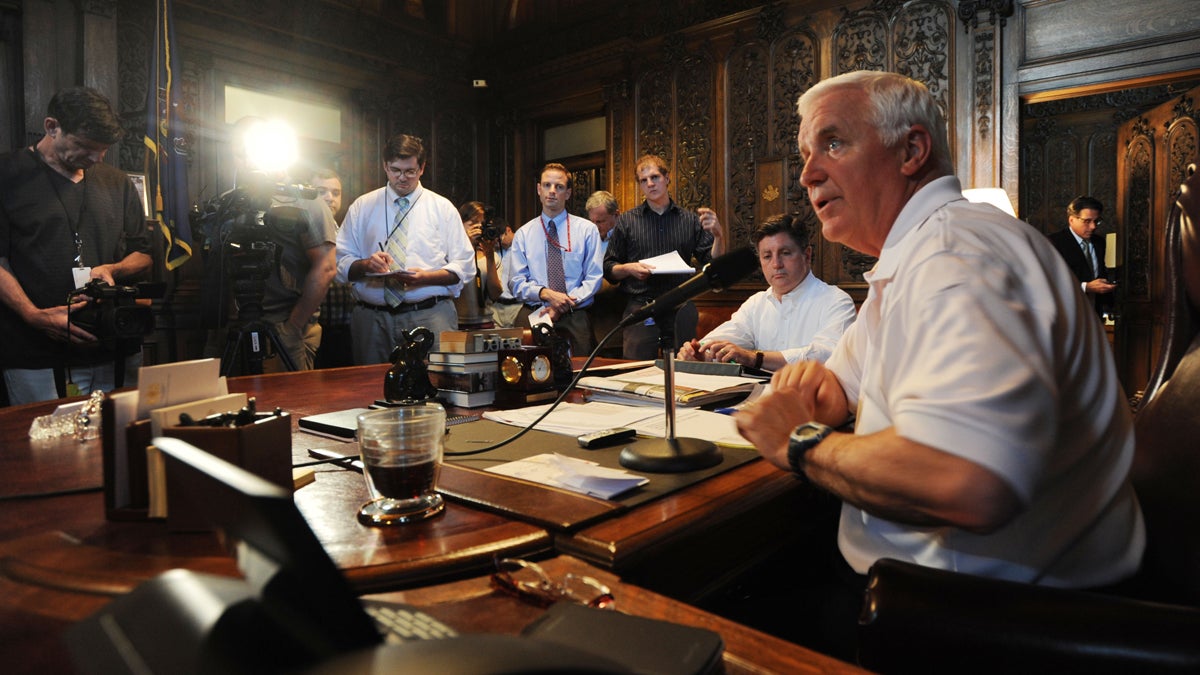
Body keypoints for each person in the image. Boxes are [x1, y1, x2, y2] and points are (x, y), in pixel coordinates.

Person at [733, 71, 1144, 659]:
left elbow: (967, 481)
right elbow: (832, 387)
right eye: (804, 155)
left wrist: (798, 442)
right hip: (938, 588)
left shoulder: (957, 256)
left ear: (912, 150)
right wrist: (819, 398)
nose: (806, 174)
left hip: (982, 621)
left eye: (833, 143)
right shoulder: (913, 256)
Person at [0, 86, 152, 404]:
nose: (96, 158)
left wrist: (113, 268)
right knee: (52, 451)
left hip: (118, 348)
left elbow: (144, 255)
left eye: (104, 149)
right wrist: (32, 315)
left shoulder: (117, 182)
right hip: (38, 355)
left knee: (123, 446)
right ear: (52, 127)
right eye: (84, 146)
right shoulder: (7, 175)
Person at [202, 117, 337, 373]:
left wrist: (293, 327)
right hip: (229, 324)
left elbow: (326, 267)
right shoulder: (228, 203)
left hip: (282, 325)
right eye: (239, 153)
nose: (245, 160)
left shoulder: (305, 201)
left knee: (288, 406)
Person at [336, 134, 474, 362]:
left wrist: (426, 277)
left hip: (430, 315)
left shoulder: (442, 208)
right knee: (370, 388)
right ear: (384, 166)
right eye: (395, 170)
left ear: (422, 168)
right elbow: (340, 264)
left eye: (410, 171)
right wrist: (366, 264)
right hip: (372, 318)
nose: (402, 178)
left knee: (436, 386)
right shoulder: (362, 206)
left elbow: (465, 267)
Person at [677, 214, 855, 370]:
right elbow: (727, 337)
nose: (776, 264)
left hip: (812, 402)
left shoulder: (836, 301)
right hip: (756, 399)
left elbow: (826, 354)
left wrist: (755, 358)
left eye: (785, 253)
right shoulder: (757, 303)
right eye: (767, 256)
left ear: (807, 255)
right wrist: (700, 353)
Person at [603, 154, 724, 359]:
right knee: (635, 371)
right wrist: (628, 268)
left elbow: (712, 263)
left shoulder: (689, 220)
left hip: (681, 302)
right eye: (644, 180)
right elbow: (609, 268)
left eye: (655, 177)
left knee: (685, 369)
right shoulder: (627, 221)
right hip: (641, 304)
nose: (650, 184)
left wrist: (719, 236)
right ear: (640, 185)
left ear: (667, 178)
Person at [507, 163, 603, 355]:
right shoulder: (524, 234)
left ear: (567, 193)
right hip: (535, 309)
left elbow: (593, 279)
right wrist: (546, 294)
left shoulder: (587, 230)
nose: (552, 191)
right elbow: (516, 282)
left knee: (580, 371)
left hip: (575, 310)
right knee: (523, 370)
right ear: (538, 190)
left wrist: (561, 305)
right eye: (546, 185)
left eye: (558, 187)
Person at [311, 168, 355, 368]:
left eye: (336, 193)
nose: (329, 198)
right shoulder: (305, 229)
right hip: (315, 325)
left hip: (345, 325)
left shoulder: (344, 230)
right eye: (321, 191)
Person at [1048, 195, 1116, 317]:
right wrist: (1085, 287)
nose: (1093, 227)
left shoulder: (1099, 242)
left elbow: (1098, 272)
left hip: (1095, 313)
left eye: (1096, 221)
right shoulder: (1054, 242)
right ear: (1071, 219)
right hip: (1067, 313)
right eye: (1087, 221)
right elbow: (1050, 280)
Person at [459, 201, 520, 328]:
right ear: (460, 224)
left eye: (481, 225)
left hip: (486, 323)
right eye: (472, 224)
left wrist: (490, 255)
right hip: (457, 323)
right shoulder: (451, 254)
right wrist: (468, 246)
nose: (477, 229)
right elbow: (455, 284)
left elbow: (495, 294)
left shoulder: (492, 256)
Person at [585, 190, 624, 354]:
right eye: (591, 221)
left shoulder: (626, 236)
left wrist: (592, 283)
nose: (594, 227)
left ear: (616, 215)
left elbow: (621, 281)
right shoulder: (587, 236)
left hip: (615, 322)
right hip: (588, 323)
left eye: (600, 221)